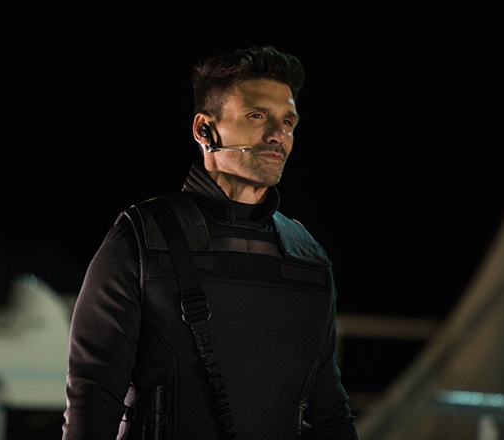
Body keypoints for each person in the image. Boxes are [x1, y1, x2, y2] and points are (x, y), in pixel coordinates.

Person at [62, 45, 358, 439]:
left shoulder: (308, 257)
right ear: (205, 129)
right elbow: (93, 398)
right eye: (257, 116)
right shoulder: (141, 238)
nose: (278, 135)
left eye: (288, 122)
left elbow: (329, 414)